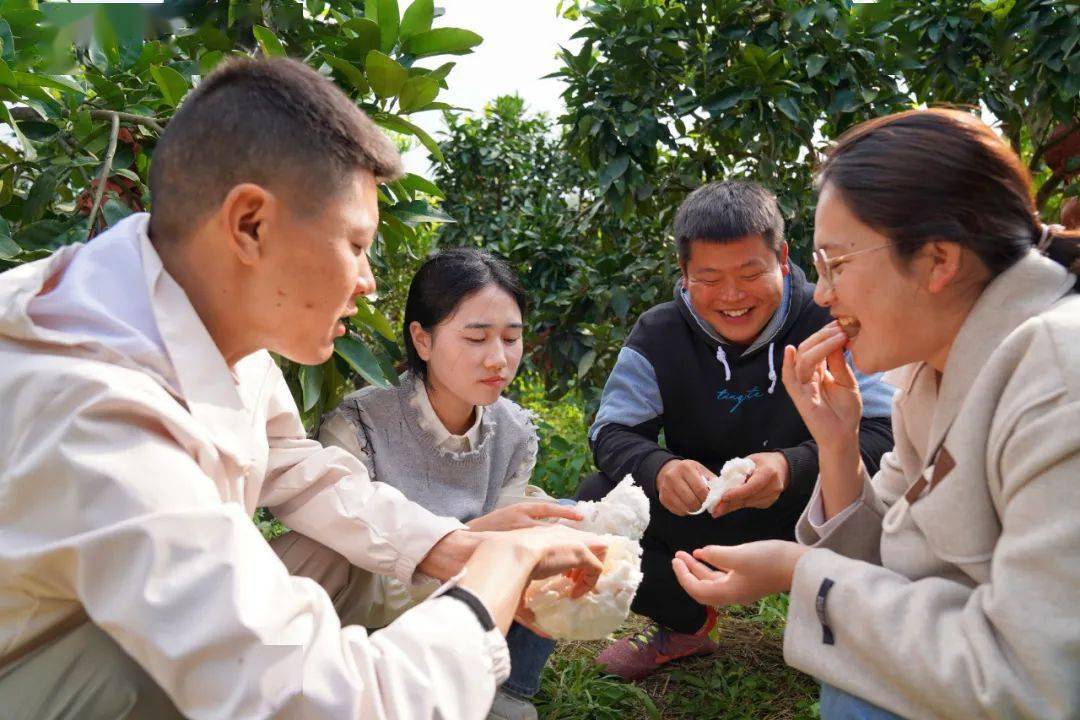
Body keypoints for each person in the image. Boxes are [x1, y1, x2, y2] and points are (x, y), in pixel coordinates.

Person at [0, 57, 608, 720]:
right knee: (135, 668)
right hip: (36, 669)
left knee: (336, 552)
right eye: (355, 244)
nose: (368, 280)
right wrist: (500, 566)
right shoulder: (96, 407)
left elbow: (293, 465)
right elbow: (334, 702)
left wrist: (454, 546)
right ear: (249, 225)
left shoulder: (189, 311)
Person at [673, 109, 1080, 719]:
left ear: (939, 261)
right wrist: (836, 445)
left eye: (837, 263)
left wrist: (798, 569)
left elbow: (1035, 680)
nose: (824, 294)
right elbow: (886, 558)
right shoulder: (931, 370)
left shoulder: (1057, 374)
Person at [579, 180, 896, 680]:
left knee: (894, 502)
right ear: (683, 275)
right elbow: (611, 431)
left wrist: (790, 467)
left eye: (751, 273)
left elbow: (888, 434)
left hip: (816, 508)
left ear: (783, 257)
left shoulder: (832, 319)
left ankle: (853, 630)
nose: (731, 296)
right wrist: (659, 468)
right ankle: (685, 623)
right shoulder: (658, 334)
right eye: (708, 278)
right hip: (705, 507)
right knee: (596, 504)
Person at [319, 247, 576, 719]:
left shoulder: (514, 432)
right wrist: (480, 537)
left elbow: (511, 556)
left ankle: (509, 689)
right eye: (476, 338)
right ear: (422, 340)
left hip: (479, 613)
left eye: (511, 338)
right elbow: (359, 563)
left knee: (557, 519)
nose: (498, 359)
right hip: (373, 622)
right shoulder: (361, 425)